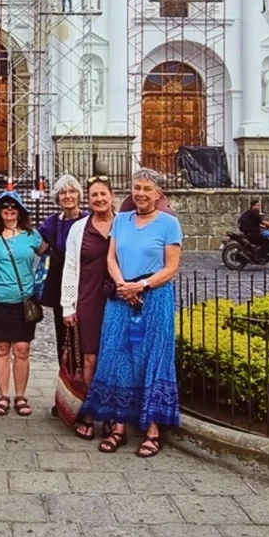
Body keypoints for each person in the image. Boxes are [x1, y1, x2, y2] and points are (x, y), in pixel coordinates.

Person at [82, 169, 183, 458]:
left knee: (151, 357)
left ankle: (152, 430)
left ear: (158, 194)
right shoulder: (122, 221)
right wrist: (122, 284)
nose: (140, 194)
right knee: (118, 357)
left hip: (154, 297)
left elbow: (171, 266)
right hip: (121, 296)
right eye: (136, 188)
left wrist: (142, 284)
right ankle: (119, 428)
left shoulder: (169, 224)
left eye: (146, 189)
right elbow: (111, 256)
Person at [61, 175, 116, 439]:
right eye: (94, 195)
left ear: (112, 196)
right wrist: (67, 306)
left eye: (103, 194)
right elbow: (70, 266)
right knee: (90, 359)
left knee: (114, 358)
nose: (99, 199)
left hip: (119, 300)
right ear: (88, 199)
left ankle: (111, 413)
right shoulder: (79, 228)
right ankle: (89, 410)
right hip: (88, 299)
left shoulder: (124, 225)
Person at [0, 191, 42, 417]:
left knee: (22, 349)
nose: (9, 210)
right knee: (2, 348)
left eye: (13, 206)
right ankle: (3, 395)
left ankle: (21, 395)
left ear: (20, 210)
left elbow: (48, 254)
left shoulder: (31, 235)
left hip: (23, 300)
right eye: (4, 206)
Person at [37, 174, 87, 396]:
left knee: (88, 344)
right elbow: (37, 245)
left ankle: (87, 390)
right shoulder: (52, 223)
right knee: (64, 343)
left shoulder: (89, 220)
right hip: (61, 289)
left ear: (79, 195)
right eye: (63, 193)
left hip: (87, 288)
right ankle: (67, 392)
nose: (68, 196)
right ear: (57, 197)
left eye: (72, 191)